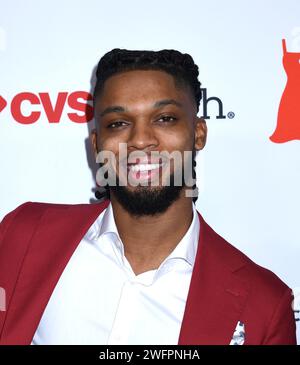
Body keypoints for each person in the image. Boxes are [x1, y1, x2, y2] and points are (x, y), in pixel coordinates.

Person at [0, 49, 296, 345]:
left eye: (165, 118)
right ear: (96, 143)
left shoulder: (264, 305)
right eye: (118, 123)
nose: (140, 140)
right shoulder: (23, 235)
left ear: (198, 134)